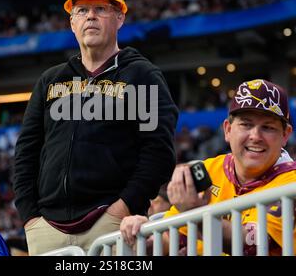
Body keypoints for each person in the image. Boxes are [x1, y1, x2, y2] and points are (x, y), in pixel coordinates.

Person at [14, 0, 178, 255]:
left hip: (113, 223)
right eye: (81, 10)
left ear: (120, 17)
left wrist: (122, 207)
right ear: (71, 22)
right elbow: (26, 152)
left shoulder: (142, 76)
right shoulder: (50, 80)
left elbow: (159, 152)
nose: (90, 16)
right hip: (46, 230)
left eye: (101, 8)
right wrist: (30, 217)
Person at [121, 79, 296, 255]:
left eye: (268, 127)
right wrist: (141, 234)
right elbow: (172, 238)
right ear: (227, 130)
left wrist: (196, 215)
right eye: (246, 124)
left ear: (285, 135)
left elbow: (253, 244)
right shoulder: (208, 169)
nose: (255, 136)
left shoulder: (292, 184)